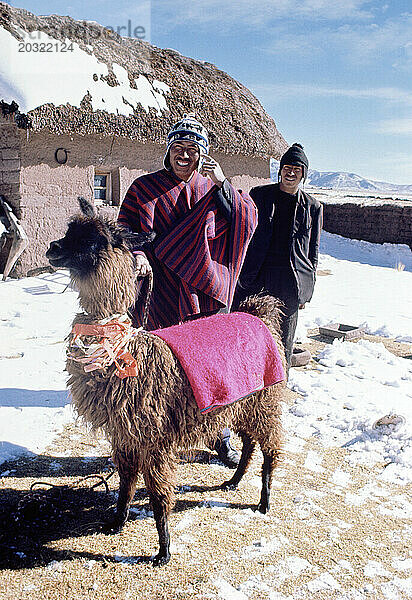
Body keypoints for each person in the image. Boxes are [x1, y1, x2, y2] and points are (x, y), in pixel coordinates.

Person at [117, 114, 257, 467]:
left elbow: (246, 219)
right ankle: (151, 436)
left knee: (209, 364)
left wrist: (223, 181)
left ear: (203, 155)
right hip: (158, 289)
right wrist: (138, 254)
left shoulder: (212, 190)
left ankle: (218, 435)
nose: (184, 155)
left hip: (201, 294)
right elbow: (124, 230)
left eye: (192, 149)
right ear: (167, 151)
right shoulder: (143, 188)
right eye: (177, 147)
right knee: (156, 366)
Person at [232, 143, 322, 370]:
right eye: (287, 167)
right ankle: (246, 381)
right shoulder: (260, 196)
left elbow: (313, 251)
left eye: (297, 169)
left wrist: (306, 291)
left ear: (303, 174)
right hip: (257, 277)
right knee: (248, 330)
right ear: (280, 169)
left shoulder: (313, 207)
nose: (291, 173)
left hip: (290, 283)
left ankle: (279, 387)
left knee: (284, 340)